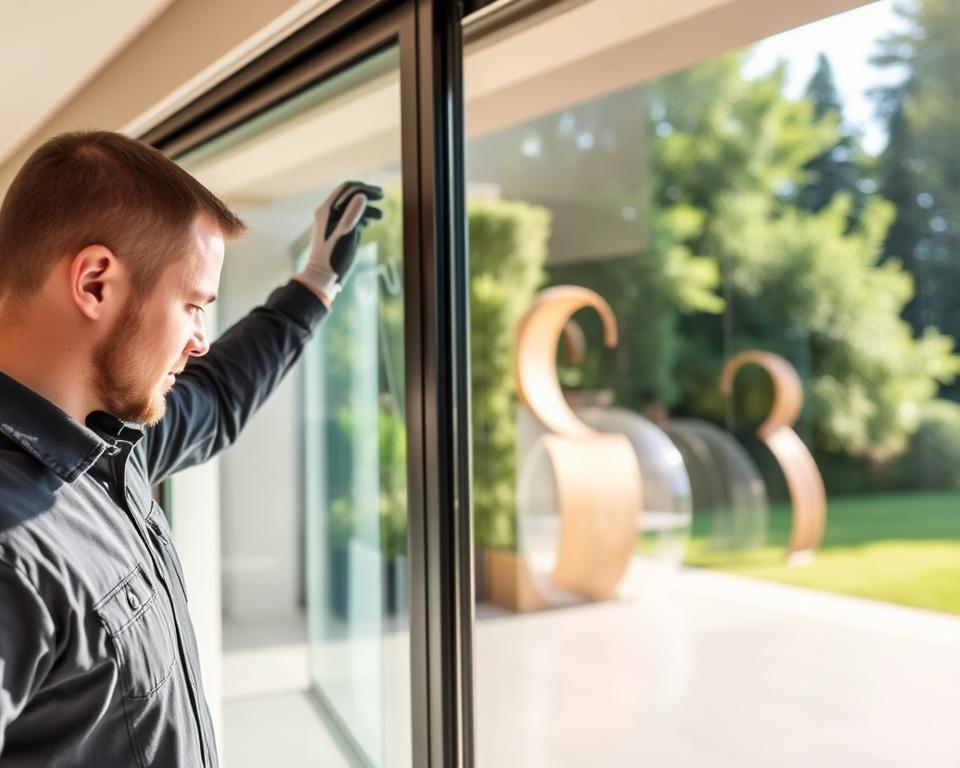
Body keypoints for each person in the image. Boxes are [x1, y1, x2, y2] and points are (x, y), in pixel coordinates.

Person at [0, 130, 383, 766]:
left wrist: (315, 283)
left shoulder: (108, 448)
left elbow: (218, 396)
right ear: (95, 283)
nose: (200, 339)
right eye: (193, 304)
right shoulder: (12, 543)